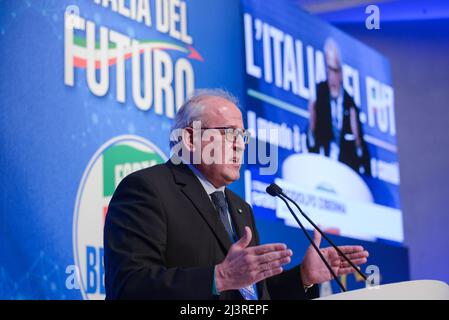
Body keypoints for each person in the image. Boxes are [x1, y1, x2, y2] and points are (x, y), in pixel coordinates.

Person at [104, 89, 369, 300]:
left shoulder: (239, 207)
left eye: (242, 135)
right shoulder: (147, 189)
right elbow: (129, 286)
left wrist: (303, 277)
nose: (240, 145)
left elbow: (252, 294)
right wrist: (217, 278)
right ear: (190, 139)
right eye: (230, 133)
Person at [307, 38, 371, 175]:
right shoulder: (319, 94)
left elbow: (361, 150)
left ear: (341, 72)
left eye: (336, 71)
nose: (333, 76)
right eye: (329, 69)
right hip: (323, 167)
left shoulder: (350, 103)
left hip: (347, 170)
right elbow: (312, 139)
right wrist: (311, 126)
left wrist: (357, 140)